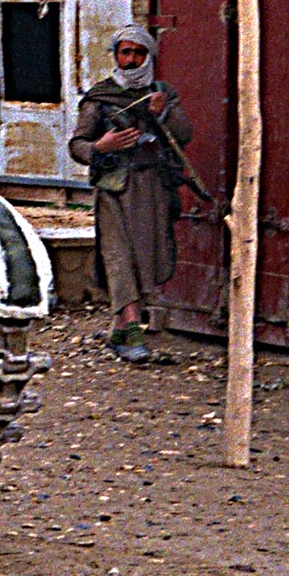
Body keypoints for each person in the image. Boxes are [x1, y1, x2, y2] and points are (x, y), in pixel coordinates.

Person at [68, 23, 194, 363]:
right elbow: (77, 144)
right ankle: (133, 327)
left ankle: (118, 331)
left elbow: (184, 134)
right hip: (114, 188)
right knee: (117, 255)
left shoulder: (161, 93)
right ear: (116, 56)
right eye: (126, 52)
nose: (132, 59)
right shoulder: (100, 96)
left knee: (145, 257)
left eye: (139, 53)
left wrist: (162, 113)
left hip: (151, 186)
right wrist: (101, 145)